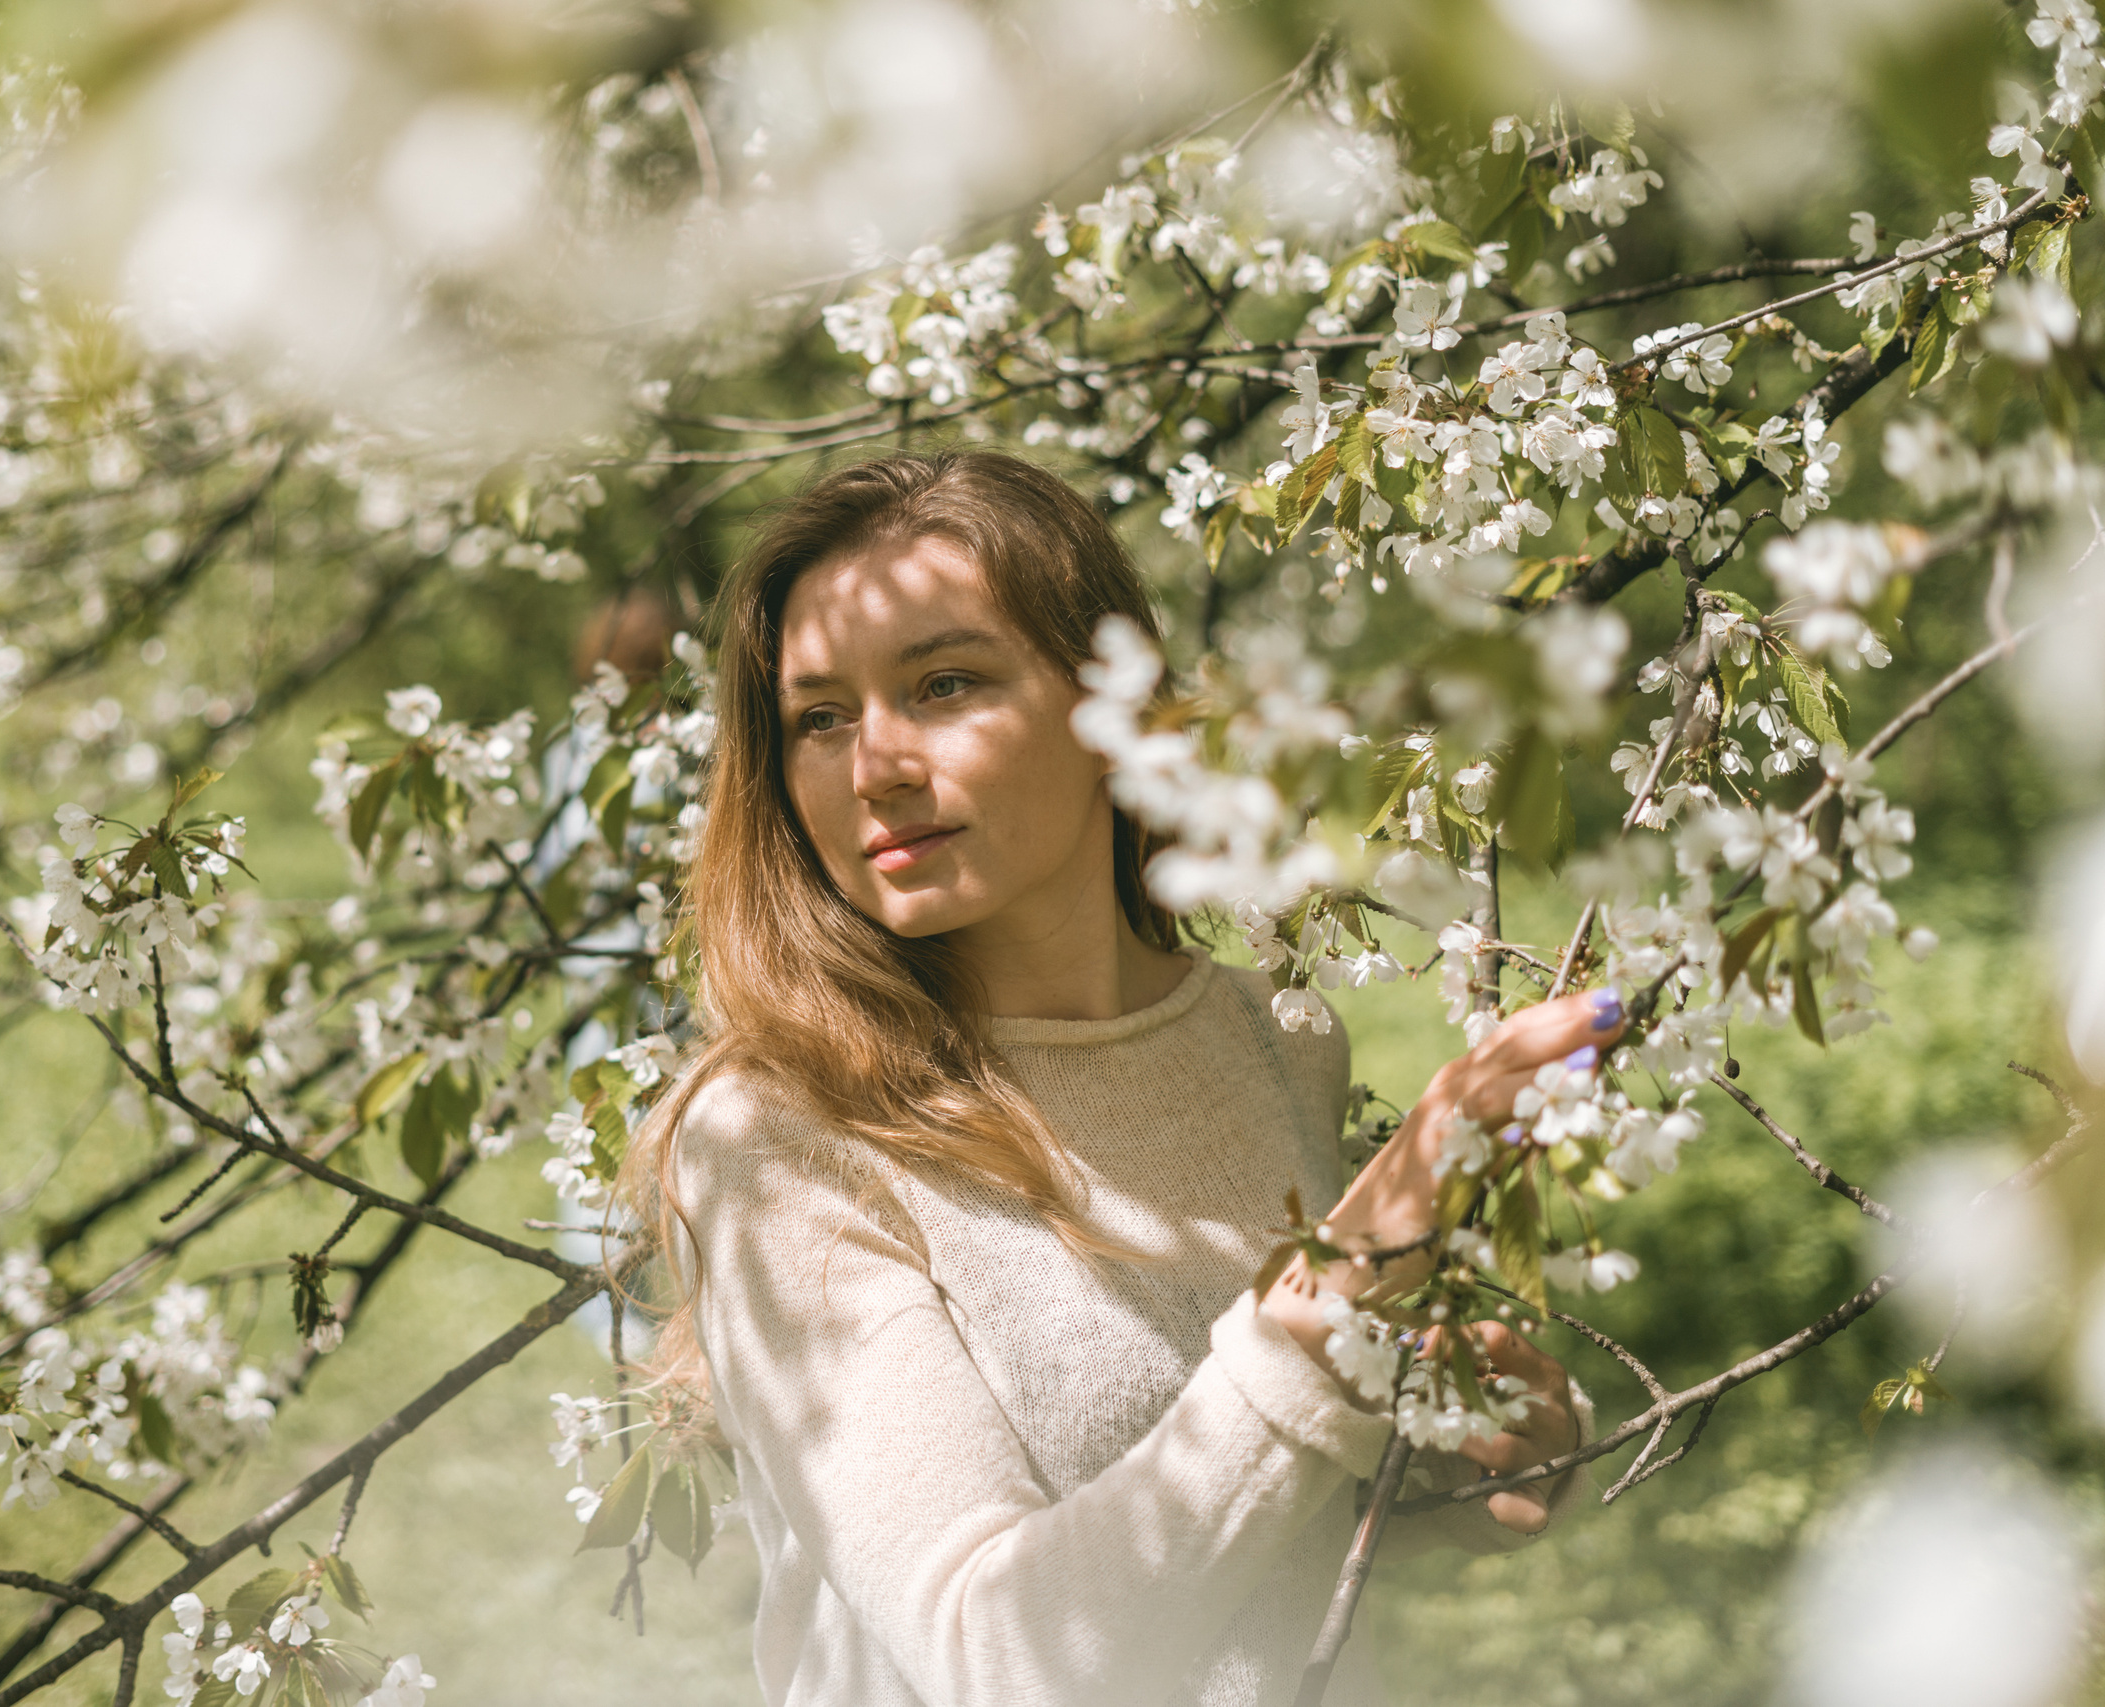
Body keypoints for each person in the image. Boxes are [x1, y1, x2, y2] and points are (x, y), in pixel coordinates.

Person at [620, 449, 1616, 1706]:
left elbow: (1228, 1513)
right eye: (819, 717)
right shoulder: (778, 1134)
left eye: (941, 684)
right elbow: (995, 1660)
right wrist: (1335, 1289)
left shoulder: (1275, 1039)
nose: (873, 765)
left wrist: (1450, 1457)